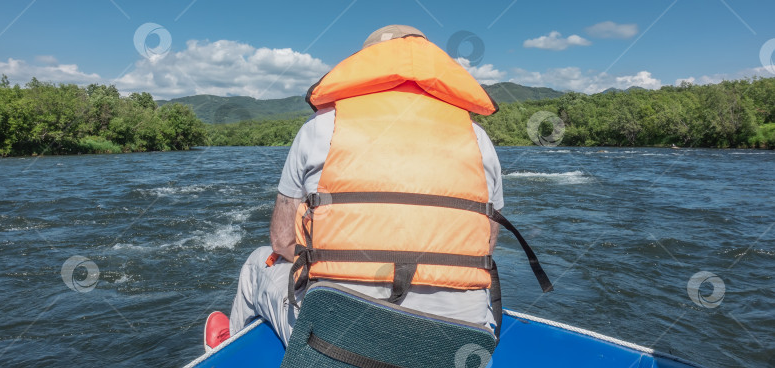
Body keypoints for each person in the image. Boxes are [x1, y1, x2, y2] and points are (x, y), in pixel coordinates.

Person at [204, 25, 547, 352]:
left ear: (367, 65)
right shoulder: (479, 140)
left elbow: (281, 239)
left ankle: (227, 350)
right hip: (456, 343)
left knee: (256, 263)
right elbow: (483, 245)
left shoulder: (320, 127)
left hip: (339, 341)